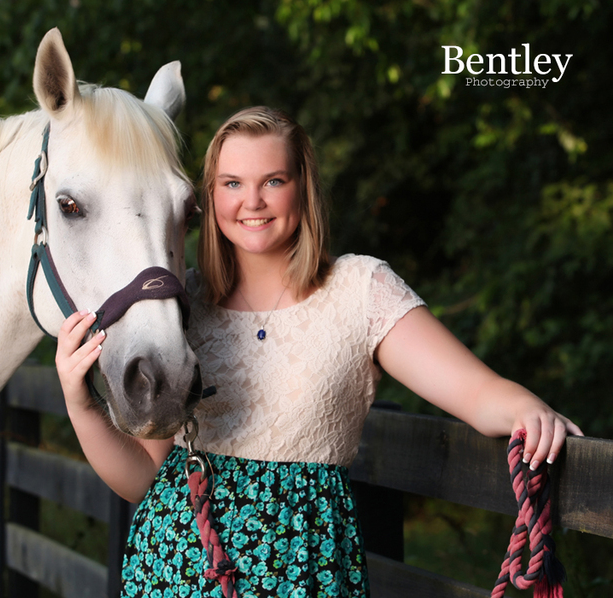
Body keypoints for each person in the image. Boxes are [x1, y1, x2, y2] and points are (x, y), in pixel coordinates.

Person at [56, 106, 583, 597]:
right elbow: (141, 479)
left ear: (302, 189)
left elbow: (474, 389)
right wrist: (81, 403)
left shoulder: (359, 290)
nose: (252, 201)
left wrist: (524, 408)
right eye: (232, 183)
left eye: (273, 182)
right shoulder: (182, 304)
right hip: (170, 568)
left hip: (305, 569)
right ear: (209, 197)